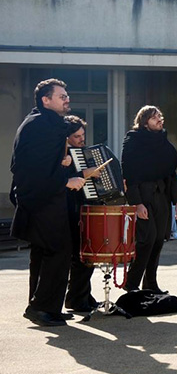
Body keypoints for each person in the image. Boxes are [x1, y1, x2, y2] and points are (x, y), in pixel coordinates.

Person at [11, 79, 87, 326]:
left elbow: (44, 163)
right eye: (61, 96)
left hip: (46, 198)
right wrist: (66, 181)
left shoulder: (45, 122)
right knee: (58, 251)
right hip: (42, 199)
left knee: (44, 253)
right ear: (46, 100)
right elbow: (30, 167)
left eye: (67, 95)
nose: (67, 99)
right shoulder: (39, 125)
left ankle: (47, 307)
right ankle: (41, 307)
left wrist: (63, 166)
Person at [121, 105, 177, 293]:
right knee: (146, 241)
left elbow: (171, 175)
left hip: (162, 197)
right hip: (143, 196)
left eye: (160, 116)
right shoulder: (133, 141)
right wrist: (137, 203)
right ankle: (131, 283)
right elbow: (129, 175)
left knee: (158, 240)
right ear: (144, 121)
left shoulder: (164, 142)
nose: (160, 119)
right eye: (154, 117)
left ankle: (150, 284)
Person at [62, 115, 99, 313]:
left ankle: (83, 294)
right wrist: (87, 173)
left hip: (82, 207)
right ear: (66, 137)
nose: (81, 140)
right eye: (77, 136)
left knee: (86, 254)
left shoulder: (80, 152)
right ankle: (76, 298)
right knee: (80, 255)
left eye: (82, 135)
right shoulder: (61, 152)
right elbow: (63, 179)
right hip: (68, 209)